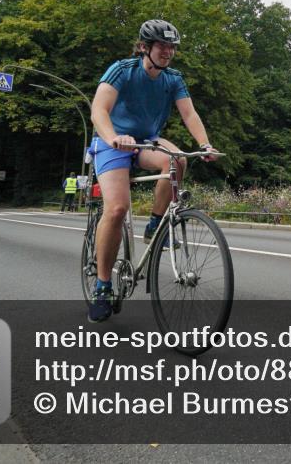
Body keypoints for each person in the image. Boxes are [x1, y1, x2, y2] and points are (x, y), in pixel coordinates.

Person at [87, 17, 218, 323]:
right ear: (145, 47)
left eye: (172, 47)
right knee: (117, 208)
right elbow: (98, 110)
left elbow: (189, 112)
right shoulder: (122, 70)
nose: (168, 52)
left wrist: (205, 144)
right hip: (113, 142)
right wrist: (113, 138)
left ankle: (155, 225)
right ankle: (103, 286)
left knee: (178, 160)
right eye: (162, 46)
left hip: (146, 141)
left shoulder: (173, 78)